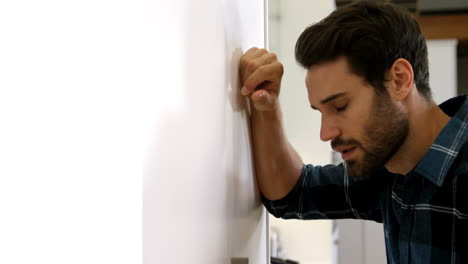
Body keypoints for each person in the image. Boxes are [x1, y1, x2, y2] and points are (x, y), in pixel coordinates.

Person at [239, 1, 468, 263]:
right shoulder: (392, 169)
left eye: (340, 105)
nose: (326, 133)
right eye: (320, 111)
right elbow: (292, 194)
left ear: (399, 80)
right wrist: (265, 106)